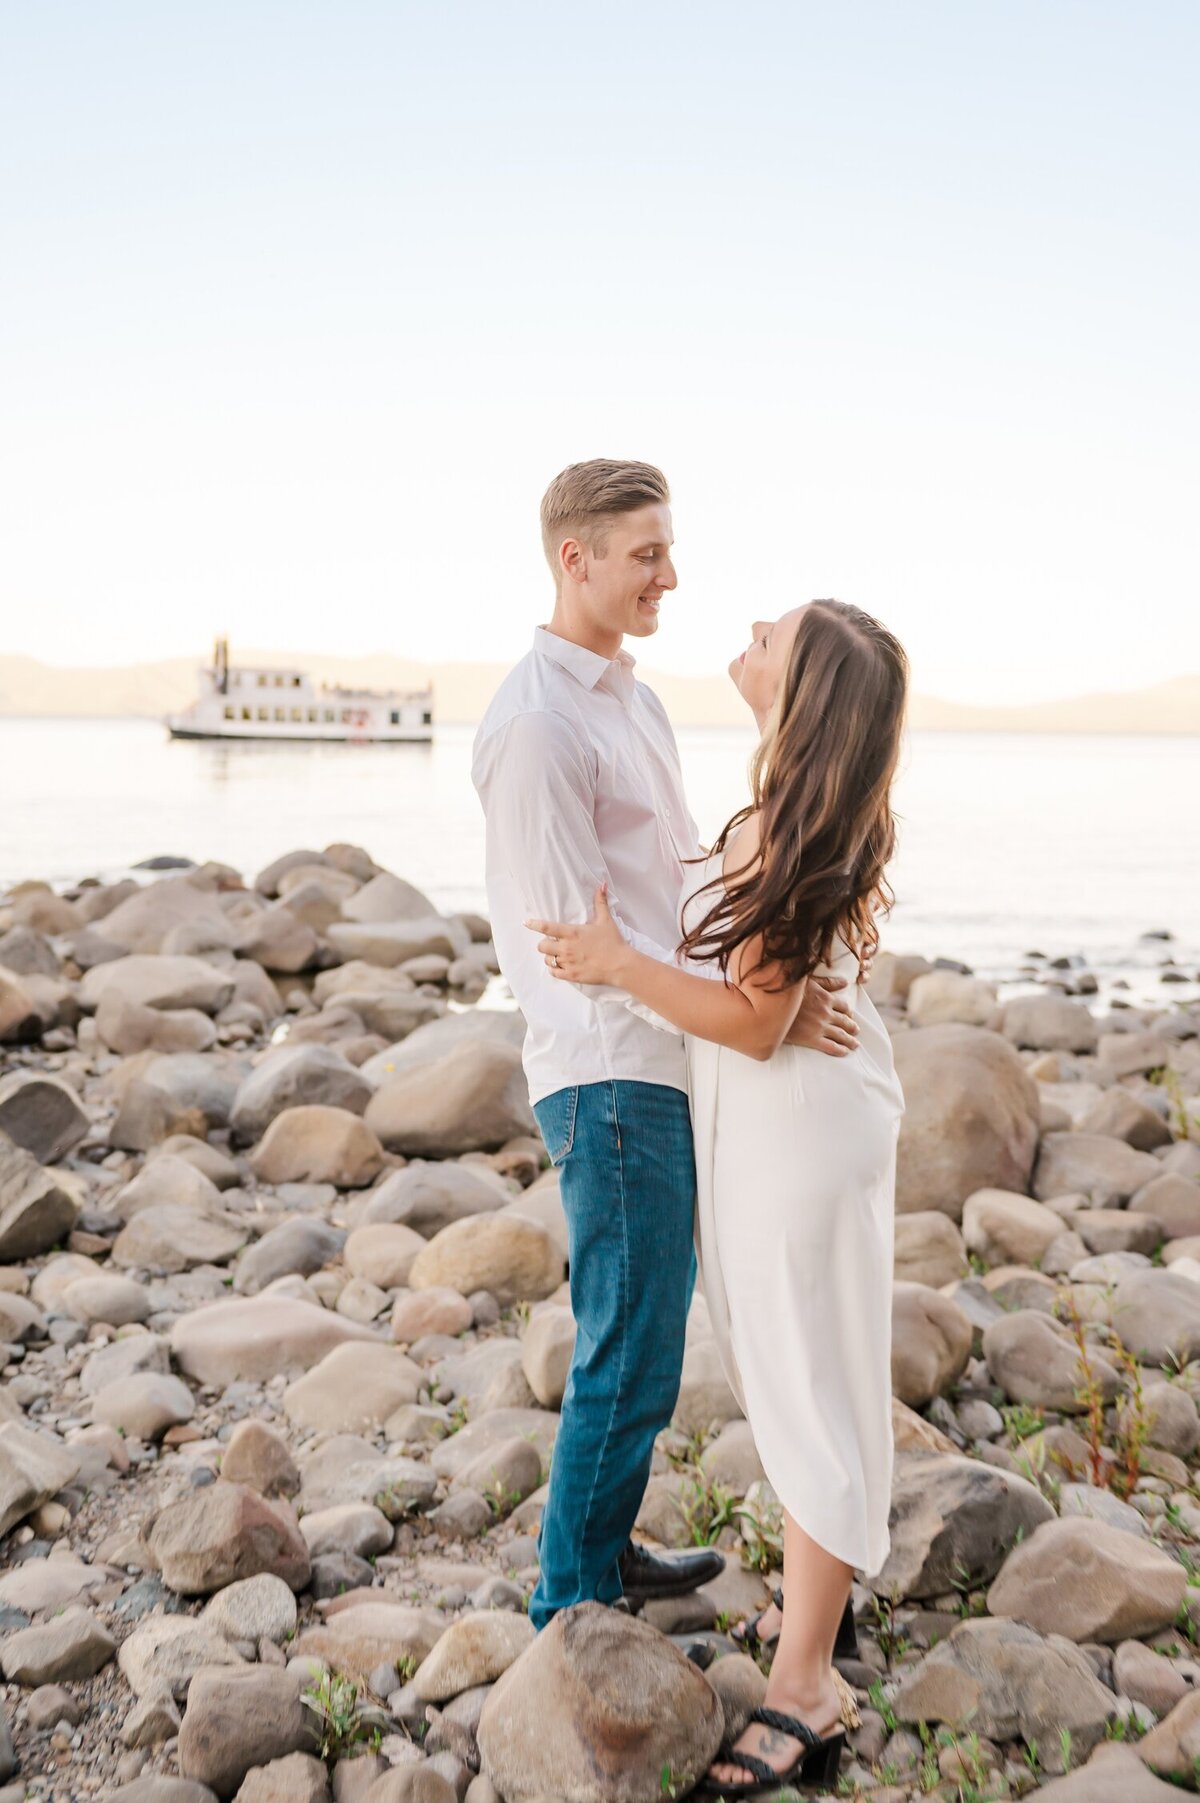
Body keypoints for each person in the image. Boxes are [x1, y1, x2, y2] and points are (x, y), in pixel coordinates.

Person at [471, 460, 863, 1634]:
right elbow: (573, 950)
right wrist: (750, 1014)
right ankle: (569, 1603)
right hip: (605, 1070)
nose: (670, 576)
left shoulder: (629, 702)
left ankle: (605, 1546)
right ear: (574, 559)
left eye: (667, 550)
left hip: (661, 1055)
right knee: (629, 1346)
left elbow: (675, 886)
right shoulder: (537, 727)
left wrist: (772, 989)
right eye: (645, 554)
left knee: (645, 1330)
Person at [527, 598, 908, 1794]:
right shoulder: (790, 815)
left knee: (806, 1383)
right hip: (788, 1119)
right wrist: (780, 1001)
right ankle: (815, 1626)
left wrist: (615, 968)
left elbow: (747, 1020)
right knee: (797, 1372)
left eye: (773, 633)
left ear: (803, 696)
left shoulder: (786, 830)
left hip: (792, 1128)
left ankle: (806, 1686)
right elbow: (767, 998)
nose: (746, 626)